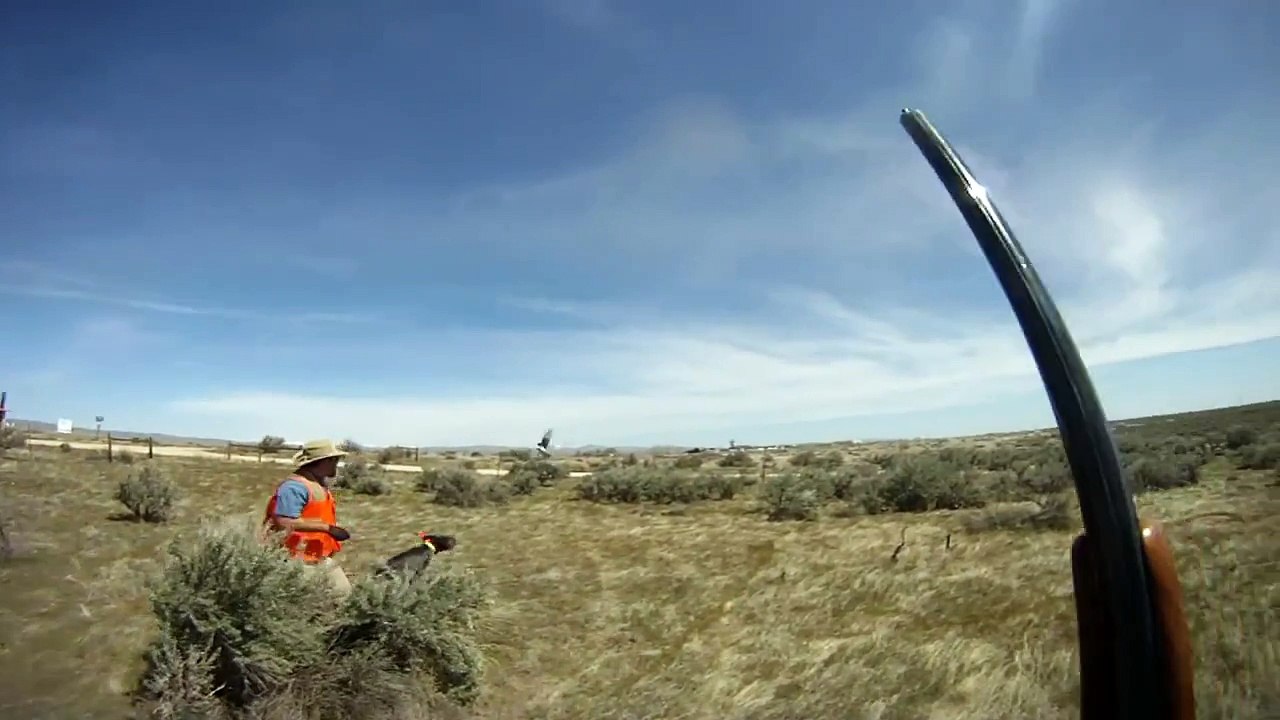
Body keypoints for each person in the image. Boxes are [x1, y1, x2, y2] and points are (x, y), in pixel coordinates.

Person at [262, 438, 353, 597]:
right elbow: (283, 522)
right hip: (294, 560)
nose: (336, 464)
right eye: (334, 460)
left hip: (317, 558)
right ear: (322, 462)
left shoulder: (316, 485)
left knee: (343, 595)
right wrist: (327, 529)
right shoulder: (294, 487)